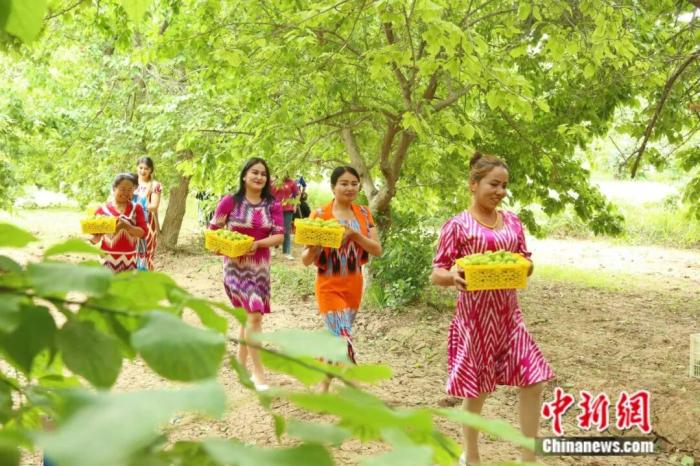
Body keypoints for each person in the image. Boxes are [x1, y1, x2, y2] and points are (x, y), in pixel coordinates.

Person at [430, 151, 554, 465]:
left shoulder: (512, 221)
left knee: (534, 379)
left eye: (504, 186)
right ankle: (470, 456)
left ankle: (528, 458)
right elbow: (437, 272)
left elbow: (525, 260)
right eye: (493, 184)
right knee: (477, 390)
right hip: (475, 320)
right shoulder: (457, 225)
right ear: (474, 184)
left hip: (509, 317)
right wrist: (453, 276)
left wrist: (523, 267)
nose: (500, 191)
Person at [300, 166, 382, 390]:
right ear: (333, 187)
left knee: (336, 338)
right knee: (343, 336)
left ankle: (323, 385)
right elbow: (305, 259)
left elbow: (377, 249)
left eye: (354, 184)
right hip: (328, 286)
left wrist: (355, 235)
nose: (350, 188)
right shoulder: (319, 215)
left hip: (354, 286)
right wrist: (315, 247)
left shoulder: (364, 213)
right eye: (344, 183)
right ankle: (356, 390)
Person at [209, 157, 284, 391]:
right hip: (235, 266)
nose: (259, 177)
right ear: (244, 176)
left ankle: (240, 364)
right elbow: (213, 231)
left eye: (263, 173)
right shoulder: (230, 201)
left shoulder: (272, 204)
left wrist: (257, 244)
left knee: (248, 316)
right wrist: (221, 246)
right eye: (254, 172)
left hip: (260, 267)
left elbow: (279, 235)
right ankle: (258, 373)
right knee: (254, 316)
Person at [90, 173, 148, 272]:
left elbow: (143, 233)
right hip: (106, 260)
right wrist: (95, 238)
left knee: (126, 282)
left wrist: (127, 227)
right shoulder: (102, 210)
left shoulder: (136, 208)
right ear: (114, 188)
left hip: (129, 260)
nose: (126, 192)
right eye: (122, 189)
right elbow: (94, 239)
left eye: (130, 190)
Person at [133, 156, 162, 271]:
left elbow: (154, 207)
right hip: (130, 222)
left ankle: (148, 279)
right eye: (140, 168)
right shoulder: (131, 181)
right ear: (137, 167)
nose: (143, 171)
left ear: (151, 170)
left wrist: (135, 207)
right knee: (131, 254)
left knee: (146, 255)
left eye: (146, 168)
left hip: (147, 224)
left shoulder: (155, 185)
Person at [272, 175, 300, 260]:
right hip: (275, 208)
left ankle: (287, 252)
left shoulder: (291, 182)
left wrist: (295, 205)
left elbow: (298, 194)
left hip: (288, 209)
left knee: (286, 230)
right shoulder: (273, 181)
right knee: (275, 229)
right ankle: (274, 248)